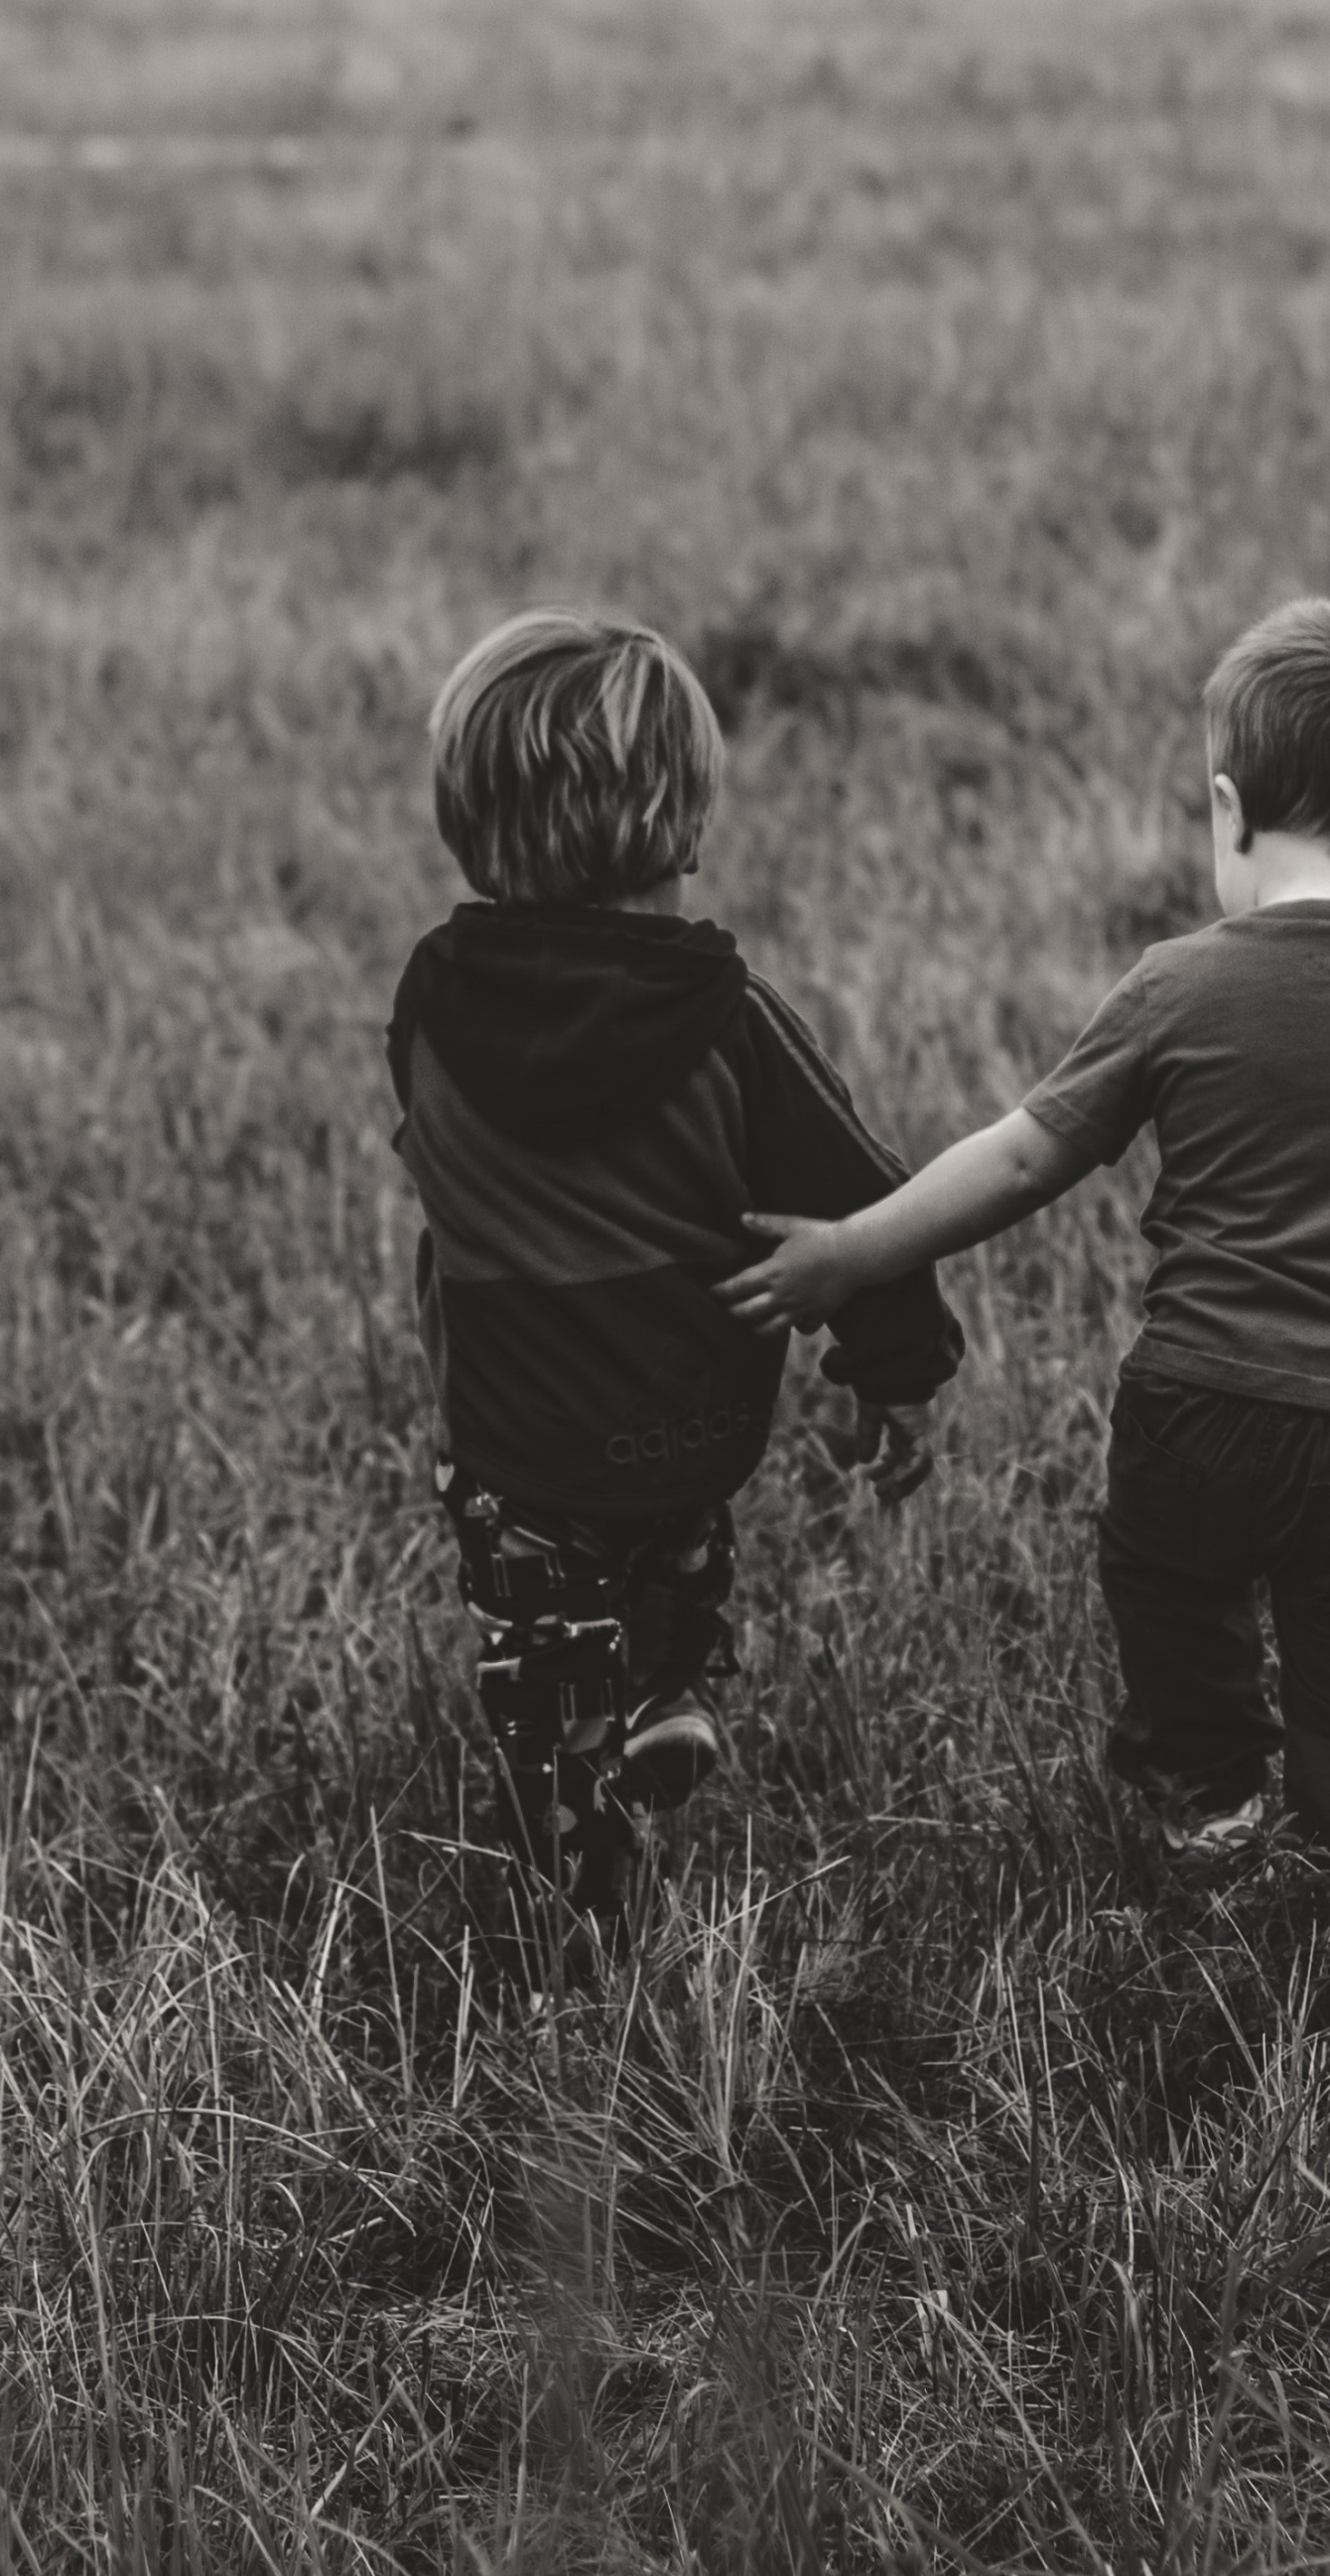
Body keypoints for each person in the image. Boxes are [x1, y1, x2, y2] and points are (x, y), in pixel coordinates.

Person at [387, 607, 964, 1964]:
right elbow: (866, 1202)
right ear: (684, 820)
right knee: (673, 1554)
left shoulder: (432, 1003)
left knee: (545, 1664)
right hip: (691, 1423)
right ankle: (672, 1685)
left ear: (467, 820)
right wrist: (900, 1373)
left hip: (519, 1446)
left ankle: (576, 1868)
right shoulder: (727, 1019)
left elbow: (428, 1161)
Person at [718, 597, 1330, 1861]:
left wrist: (849, 1249)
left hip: (1195, 1405)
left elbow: (1017, 1158)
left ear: (1231, 810)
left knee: (1168, 1592)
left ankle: (1207, 1792)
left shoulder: (1178, 982)